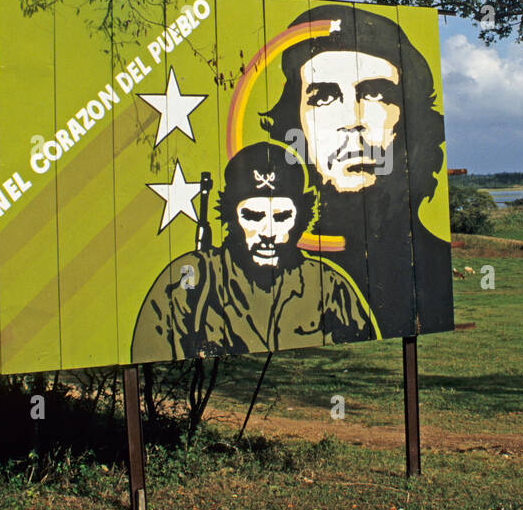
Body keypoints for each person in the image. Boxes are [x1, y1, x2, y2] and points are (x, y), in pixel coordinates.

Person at [260, 4, 453, 336]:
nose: (353, 122)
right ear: (293, 123)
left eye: (376, 94)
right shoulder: (262, 273)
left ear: (411, 120)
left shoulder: (432, 267)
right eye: (323, 97)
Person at [131, 142, 374, 361]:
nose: (268, 232)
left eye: (282, 217)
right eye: (253, 216)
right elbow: (151, 356)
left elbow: (363, 365)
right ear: (231, 218)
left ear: (301, 218)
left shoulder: (329, 287)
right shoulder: (189, 283)